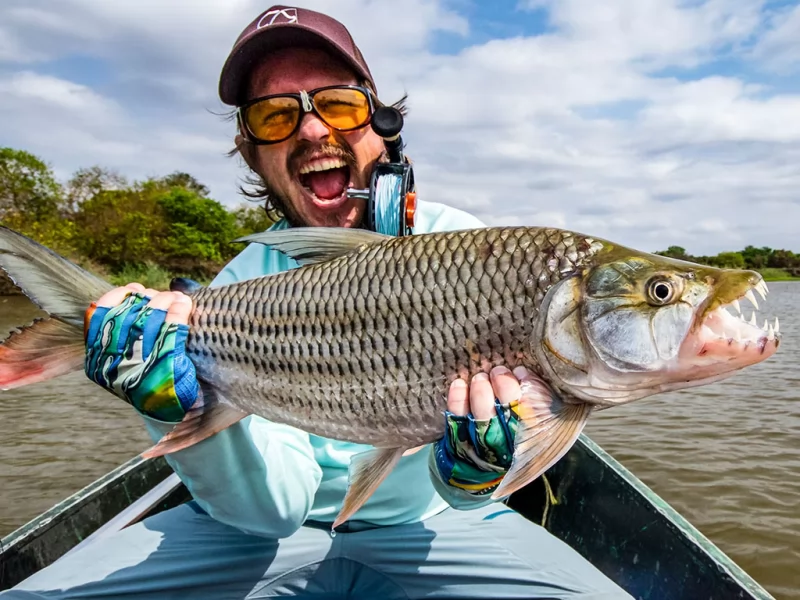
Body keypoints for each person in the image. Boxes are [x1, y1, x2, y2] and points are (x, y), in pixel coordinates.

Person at [2, 6, 632, 599]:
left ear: (382, 126)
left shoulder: (471, 247)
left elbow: (471, 495)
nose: (310, 128)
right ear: (253, 152)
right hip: (255, 534)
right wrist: (175, 407)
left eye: (337, 103)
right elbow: (271, 512)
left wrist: (473, 474)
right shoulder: (240, 281)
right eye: (274, 117)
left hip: (433, 527)